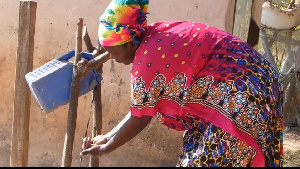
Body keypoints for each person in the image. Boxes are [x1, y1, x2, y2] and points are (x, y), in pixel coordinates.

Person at [79, 0, 284, 167]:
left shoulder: (146, 60)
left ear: (131, 43)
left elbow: (140, 120)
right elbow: (141, 109)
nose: (112, 58)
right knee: (196, 153)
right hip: (254, 86)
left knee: (208, 159)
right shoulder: (154, 37)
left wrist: (106, 148)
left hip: (244, 96)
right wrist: (107, 136)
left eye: (114, 52)